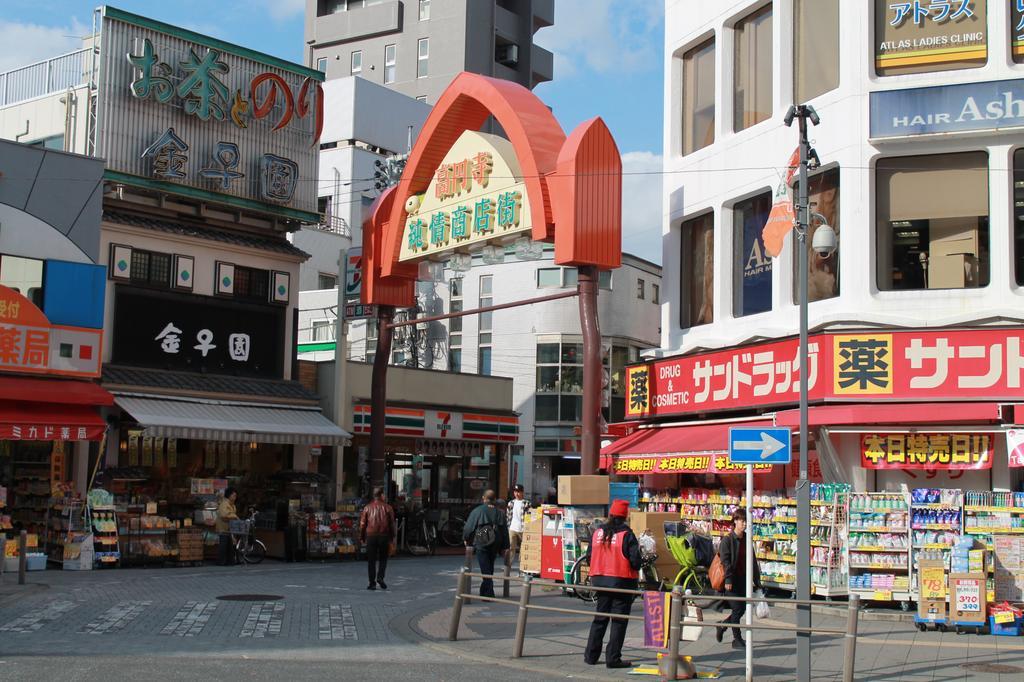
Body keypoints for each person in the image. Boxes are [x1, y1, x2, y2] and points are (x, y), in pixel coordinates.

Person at [583, 499, 642, 669]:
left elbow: (589, 557)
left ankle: (591, 656)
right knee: (619, 621)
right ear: (625, 516)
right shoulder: (627, 534)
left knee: (599, 619)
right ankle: (613, 658)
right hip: (622, 582)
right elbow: (635, 562)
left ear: (610, 514)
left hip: (600, 581)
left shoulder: (597, 532)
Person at [716, 508, 762, 649]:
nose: (744, 524)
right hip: (732, 581)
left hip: (743, 579)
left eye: (746, 521)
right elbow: (725, 561)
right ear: (735, 521)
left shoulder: (747, 539)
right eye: (742, 521)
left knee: (741, 609)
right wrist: (728, 579)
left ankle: (723, 625)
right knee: (737, 609)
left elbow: (752, 560)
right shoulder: (727, 540)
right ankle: (737, 639)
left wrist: (757, 580)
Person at [463, 489, 509, 598]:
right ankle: (484, 591)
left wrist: (466, 539)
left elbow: (469, 527)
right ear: (494, 500)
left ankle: (489, 593)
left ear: (484, 498)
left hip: (481, 541)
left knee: (485, 567)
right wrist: (506, 546)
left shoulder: (478, 511)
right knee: (489, 566)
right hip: (495, 542)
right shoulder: (500, 513)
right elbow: (504, 531)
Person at [359, 487, 396, 590]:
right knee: (383, 558)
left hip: (371, 536)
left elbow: (362, 524)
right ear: (381, 495)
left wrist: (362, 537)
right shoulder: (388, 508)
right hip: (384, 536)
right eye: (384, 494)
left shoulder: (367, 507)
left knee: (371, 560)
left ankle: (372, 583)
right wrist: (392, 537)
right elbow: (392, 524)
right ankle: (380, 577)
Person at [506, 484, 531, 567]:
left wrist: (528, 528)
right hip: (512, 528)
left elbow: (529, 517)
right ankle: (508, 566)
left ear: (522, 492)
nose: (517, 494)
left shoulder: (527, 503)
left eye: (519, 492)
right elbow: (508, 516)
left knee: (523, 549)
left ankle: (522, 566)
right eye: (515, 492)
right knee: (510, 548)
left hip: (523, 529)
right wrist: (508, 526)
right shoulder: (510, 503)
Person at [215, 487, 239, 566]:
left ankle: (229, 561)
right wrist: (234, 516)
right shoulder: (224, 504)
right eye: (234, 495)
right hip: (223, 528)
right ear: (229, 495)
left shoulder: (232, 505)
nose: (235, 497)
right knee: (223, 545)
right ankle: (221, 562)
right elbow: (224, 514)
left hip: (229, 528)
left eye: (235, 496)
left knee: (229, 545)